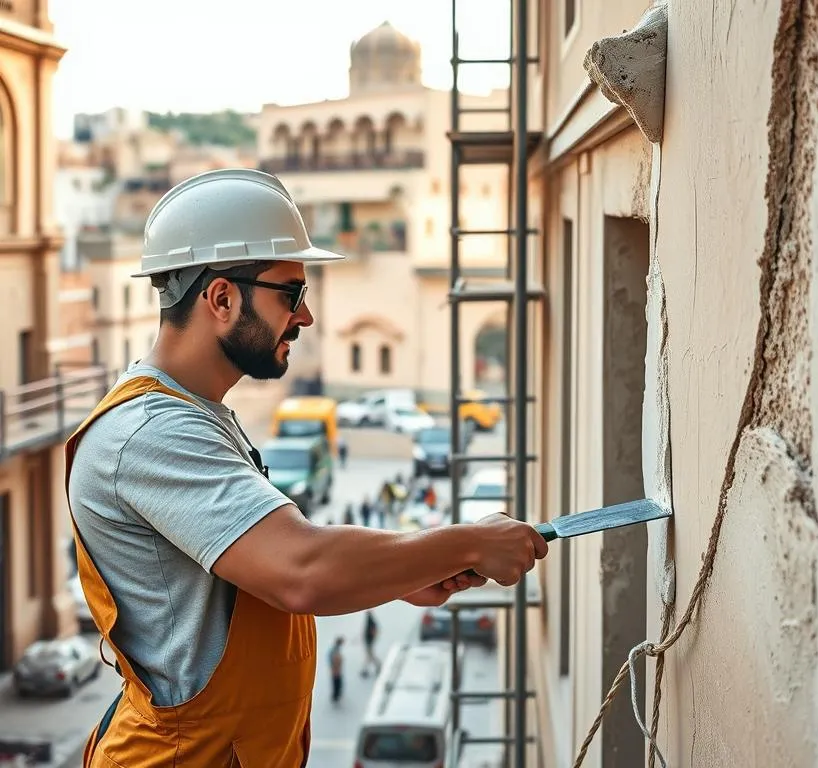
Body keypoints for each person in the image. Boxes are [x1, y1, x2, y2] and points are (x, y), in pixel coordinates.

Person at [66, 169, 547, 767]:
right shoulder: (153, 434)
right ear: (221, 298)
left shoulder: (197, 416)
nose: (306, 316)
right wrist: (467, 541)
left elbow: (270, 563)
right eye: (290, 293)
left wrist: (407, 568)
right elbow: (301, 569)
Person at [361, 611, 381, 678]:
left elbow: (373, 631)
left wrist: (371, 639)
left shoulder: (371, 622)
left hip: (369, 641)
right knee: (369, 656)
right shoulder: (370, 621)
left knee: (370, 656)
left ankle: (377, 666)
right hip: (368, 641)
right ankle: (367, 669)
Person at [328, 636, 345, 704]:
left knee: (337, 683)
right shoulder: (335, 650)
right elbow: (335, 660)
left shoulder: (335, 649)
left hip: (336, 670)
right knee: (337, 683)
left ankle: (336, 695)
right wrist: (336, 668)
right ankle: (335, 696)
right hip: (336, 670)